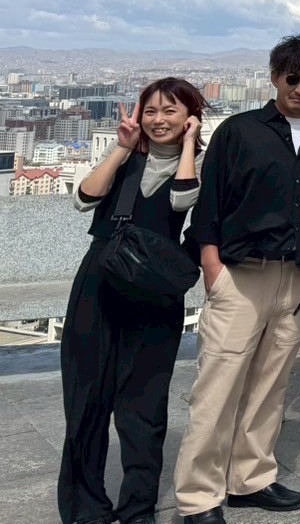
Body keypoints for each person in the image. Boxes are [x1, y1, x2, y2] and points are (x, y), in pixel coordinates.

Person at [174, 34, 300, 524]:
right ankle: (199, 497)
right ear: (274, 77)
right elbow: (210, 204)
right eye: (292, 78)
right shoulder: (239, 132)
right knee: (218, 387)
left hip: (297, 280)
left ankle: (250, 478)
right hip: (241, 275)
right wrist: (213, 269)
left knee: (272, 384)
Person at [58, 78, 204, 524]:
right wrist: (121, 148)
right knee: (86, 399)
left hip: (154, 291)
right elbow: (84, 199)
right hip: (100, 282)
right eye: (151, 111)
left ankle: (138, 507)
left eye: (171, 111)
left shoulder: (201, 164)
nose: (159, 120)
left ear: (190, 117)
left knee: (145, 406)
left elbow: (182, 199)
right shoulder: (125, 156)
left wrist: (188, 146)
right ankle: (85, 507)